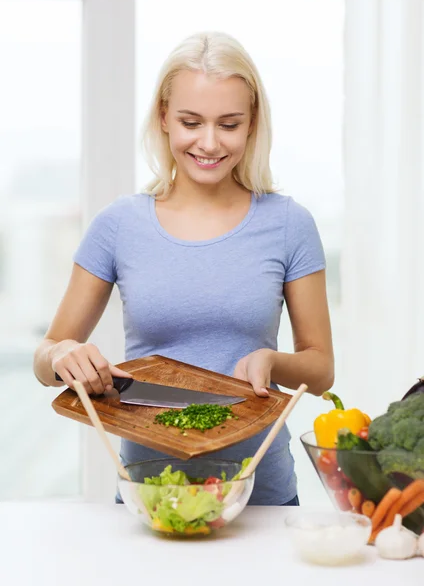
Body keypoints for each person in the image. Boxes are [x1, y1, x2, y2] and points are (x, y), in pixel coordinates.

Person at [33, 32, 334, 506]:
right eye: (191, 122)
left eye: (229, 124)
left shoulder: (289, 224)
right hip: (149, 494)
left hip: (261, 496)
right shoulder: (118, 225)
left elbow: (321, 369)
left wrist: (273, 361)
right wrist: (61, 356)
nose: (209, 143)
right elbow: (46, 355)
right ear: (163, 119)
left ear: (252, 124)